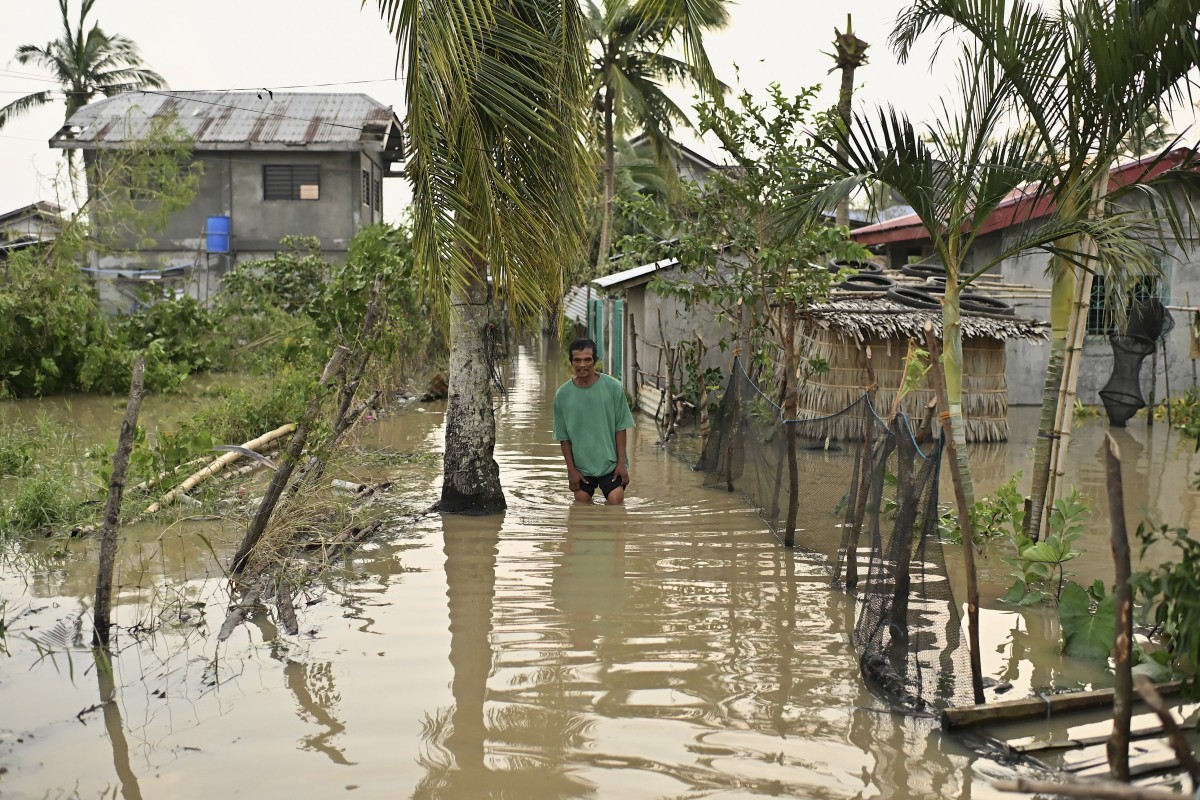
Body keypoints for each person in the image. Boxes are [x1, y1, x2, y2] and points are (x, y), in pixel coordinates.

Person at [553, 338, 635, 504]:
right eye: (577, 360)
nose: (582, 365)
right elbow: (564, 438)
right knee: (581, 502)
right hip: (582, 467)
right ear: (571, 362)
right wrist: (572, 471)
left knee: (615, 500)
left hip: (610, 464)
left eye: (587, 359)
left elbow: (621, 428)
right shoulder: (562, 395)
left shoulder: (613, 387)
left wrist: (621, 464)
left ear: (595, 361)